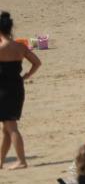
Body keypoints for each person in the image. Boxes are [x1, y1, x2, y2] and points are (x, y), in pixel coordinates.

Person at [0, 12, 39, 170]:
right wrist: (26, 76)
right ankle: (1, 161)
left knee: (11, 127)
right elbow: (37, 62)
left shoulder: (1, 48)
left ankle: (22, 161)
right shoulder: (20, 46)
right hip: (17, 87)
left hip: (3, 90)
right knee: (7, 128)